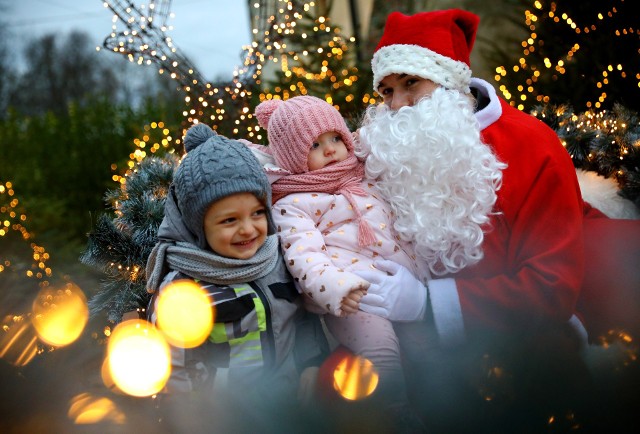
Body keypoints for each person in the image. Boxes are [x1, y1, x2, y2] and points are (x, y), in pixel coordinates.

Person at [353, 8, 638, 431]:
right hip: (420, 364)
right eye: (386, 91)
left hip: (528, 359)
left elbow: (550, 288)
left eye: (411, 83)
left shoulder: (532, 146)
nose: (397, 106)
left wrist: (428, 303)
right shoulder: (388, 153)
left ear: (450, 82)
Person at [251, 95, 429, 432]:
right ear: (293, 157)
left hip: (401, 284)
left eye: (336, 138)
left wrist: (419, 273)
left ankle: (444, 405)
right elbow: (304, 256)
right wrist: (336, 287)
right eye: (315, 145)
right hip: (353, 300)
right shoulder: (293, 204)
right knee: (381, 349)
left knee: (425, 343)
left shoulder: (365, 178)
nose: (331, 149)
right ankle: (395, 415)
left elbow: (400, 226)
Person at [144, 124, 329, 432]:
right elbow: (174, 366)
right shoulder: (184, 291)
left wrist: (312, 363)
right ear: (197, 227)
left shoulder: (276, 259)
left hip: (291, 405)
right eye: (229, 220)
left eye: (257, 213)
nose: (248, 229)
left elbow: (302, 319)